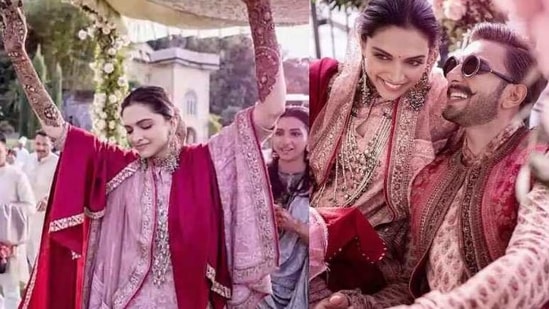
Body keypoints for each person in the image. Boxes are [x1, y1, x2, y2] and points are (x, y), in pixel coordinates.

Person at [0, 0, 286, 308]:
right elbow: (56, 128)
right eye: (129, 129)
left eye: (145, 125)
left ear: (171, 119)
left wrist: (259, 12)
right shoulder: (121, 167)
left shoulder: (208, 160)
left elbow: (272, 110)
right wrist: (19, 54)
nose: (136, 137)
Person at [320, 22, 549, 309]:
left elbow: (535, 260)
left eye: (473, 66)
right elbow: (410, 285)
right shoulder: (430, 177)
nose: (452, 73)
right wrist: (362, 304)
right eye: (453, 62)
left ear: (513, 95)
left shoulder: (540, 163)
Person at [309, 0, 456, 306]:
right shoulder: (336, 87)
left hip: (377, 272)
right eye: (382, 56)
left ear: (430, 55)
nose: (396, 74)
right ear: (363, 43)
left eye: (413, 62)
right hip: (306, 248)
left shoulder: (441, 99)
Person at [259, 107, 309, 309]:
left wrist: (295, 225)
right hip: (260, 284)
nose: (285, 141)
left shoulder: (323, 181)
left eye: (295, 133)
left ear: (309, 137)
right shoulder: (258, 179)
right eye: (278, 133)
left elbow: (331, 241)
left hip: (303, 282)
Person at [0, 133, 35, 309]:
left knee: (11, 292)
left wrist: (5, 210)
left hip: (9, 246)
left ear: (6, 151)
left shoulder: (17, 176)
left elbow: (30, 207)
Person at [23, 130, 59, 267]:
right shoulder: (29, 159)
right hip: (27, 217)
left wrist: (47, 198)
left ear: (51, 144)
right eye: (38, 144)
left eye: (45, 144)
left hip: (45, 218)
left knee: (42, 256)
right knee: (26, 254)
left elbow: (60, 188)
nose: (41, 148)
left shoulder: (57, 163)